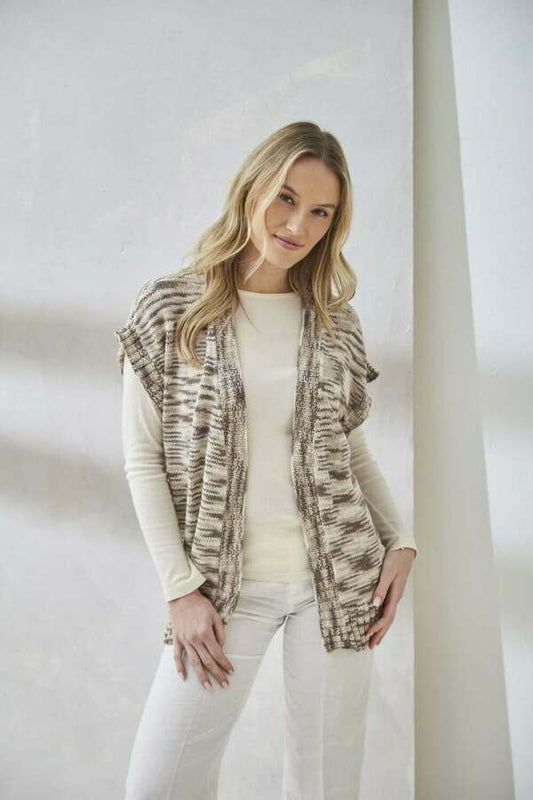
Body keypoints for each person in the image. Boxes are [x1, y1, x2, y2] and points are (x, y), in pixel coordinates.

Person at [115, 121, 418, 800]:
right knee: (160, 785)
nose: (298, 225)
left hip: (337, 583)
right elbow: (142, 460)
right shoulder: (171, 308)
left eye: (321, 212)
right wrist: (180, 590)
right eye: (286, 198)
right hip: (224, 592)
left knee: (324, 786)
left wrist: (400, 538)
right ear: (252, 188)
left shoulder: (335, 323)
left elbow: (348, 446)